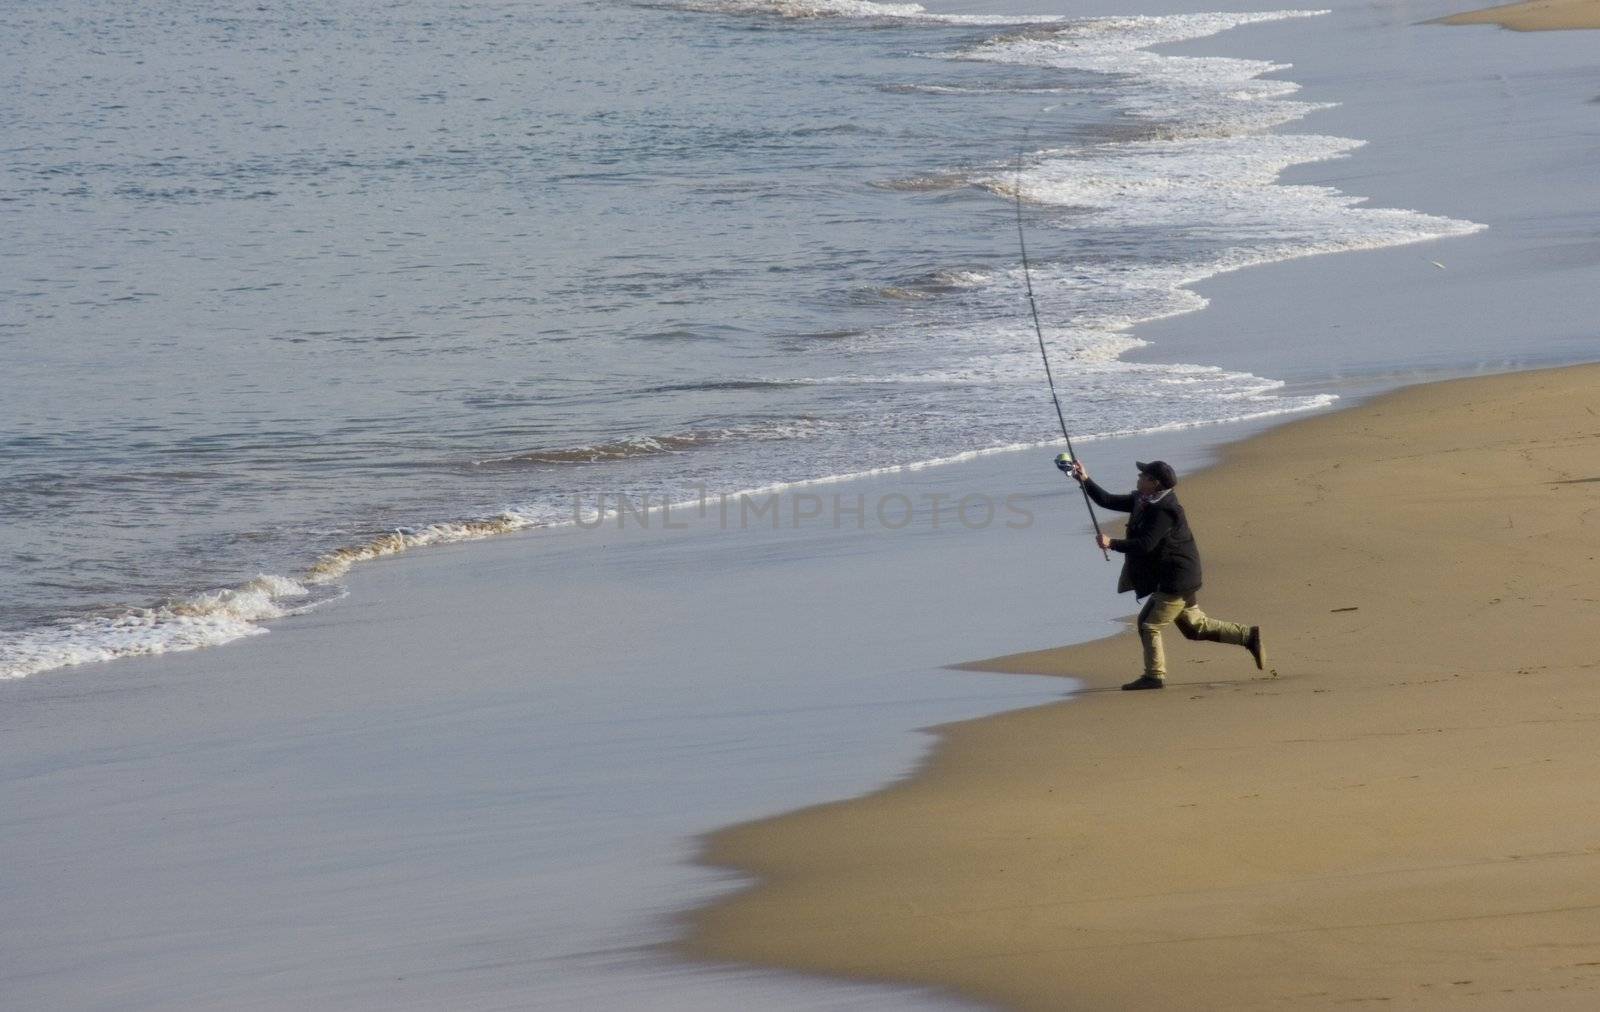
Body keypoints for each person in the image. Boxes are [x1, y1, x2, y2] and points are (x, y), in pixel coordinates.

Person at [1060, 457, 1265, 690]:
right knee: (1195, 627)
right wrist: (1084, 479)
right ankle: (1248, 636)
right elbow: (1107, 500)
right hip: (1176, 575)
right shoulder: (1143, 499)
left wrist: (1112, 543)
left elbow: (1146, 543)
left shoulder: (1165, 510)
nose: (1138, 478)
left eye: (1143, 475)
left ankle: (1154, 676)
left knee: (1149, 624)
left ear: (1154, 483)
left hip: (1177, 577)